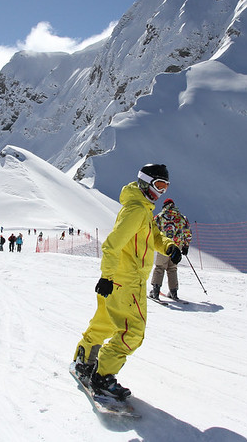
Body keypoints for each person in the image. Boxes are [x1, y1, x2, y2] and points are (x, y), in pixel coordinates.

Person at [72, 164, 182, 401]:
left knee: (105, 323)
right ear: (145, 183)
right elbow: (112, 244)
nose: (161, 192)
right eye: (158, 186)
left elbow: (152, 235)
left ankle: (84, 359)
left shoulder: (142, 209)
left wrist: (168, 246)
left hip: (118, 280)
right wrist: (107, 277)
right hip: (128, 281)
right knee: (132, 332)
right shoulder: (136, 211)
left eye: (165, 187)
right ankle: (102, 376)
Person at [149, 199, 192, 301]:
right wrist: (186, 246)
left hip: (165, 246)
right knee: (172, 268)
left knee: (160, 267)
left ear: (165, 205)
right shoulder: (182, 217)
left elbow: (152, 229)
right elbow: (187, 232)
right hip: (177, 246)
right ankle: (173, 292)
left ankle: (155, 291)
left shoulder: (160, 216)